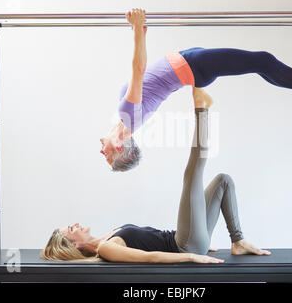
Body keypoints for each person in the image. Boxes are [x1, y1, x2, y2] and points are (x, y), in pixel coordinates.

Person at [100, 8, 292, 172]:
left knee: (260, 65)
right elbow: (138, 69)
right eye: (110, 156)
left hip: (191, 66)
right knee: (262, 60)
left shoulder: (125, 120)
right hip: (193, 66)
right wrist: (136, 29)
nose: (103, 153)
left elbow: (144, 76)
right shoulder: (128, 117)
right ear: (121, 146)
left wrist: (142, 34)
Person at [42, 89, 270, 263]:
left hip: (187, 239)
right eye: (70, 229)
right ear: (72, 244)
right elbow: (150, 258)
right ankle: (202, 110)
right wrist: (191, 256)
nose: (75, 224)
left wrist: (197, 236)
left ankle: (238, 241)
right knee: (193, 171)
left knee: (223, 181)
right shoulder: (106, 249)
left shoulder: (107, 237)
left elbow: (153, 241)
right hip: (185, 246)